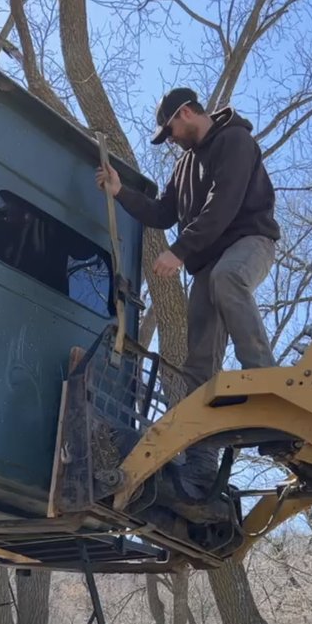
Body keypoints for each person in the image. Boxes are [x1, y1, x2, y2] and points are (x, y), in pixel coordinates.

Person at [96, 87, 280, 498]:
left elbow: (224, 204)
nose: (172, 140)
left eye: (171, 131)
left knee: (228, 278)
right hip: (208, 262)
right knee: (199, 361)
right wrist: (119, 192)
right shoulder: (182, 170)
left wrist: (179, 252)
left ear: (185, 113)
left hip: (249, 241)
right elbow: (162, 214)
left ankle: (269, 387)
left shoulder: (235, 140)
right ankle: (201, 464)